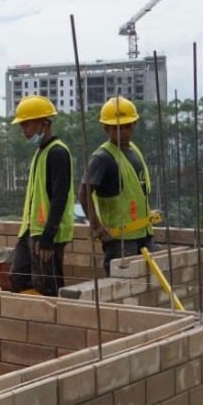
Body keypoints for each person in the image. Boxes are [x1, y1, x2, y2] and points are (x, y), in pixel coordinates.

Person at [78, 96, 154, 276]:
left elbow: (137, 191)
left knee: (149, 285)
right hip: (120, 240)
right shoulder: (102, 158)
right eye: (118, 128)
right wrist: (96, 226)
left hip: (143, 233)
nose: (125, 132)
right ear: (106, 128)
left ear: (135, 124)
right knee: (121, 288)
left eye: (128, 126)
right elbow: (83, 193)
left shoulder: (133, 150)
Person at [9, 95, 74, 295]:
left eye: (27, 125)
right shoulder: (41, 152)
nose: (24, 131)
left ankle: (54, 320)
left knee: (47, 284)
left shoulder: (57, 153)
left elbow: (59, 197)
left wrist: (48, 237)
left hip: (47, 233)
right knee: (18, 277)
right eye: (22, 126)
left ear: (43, 123)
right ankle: (35, 317)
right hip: (31, 229)